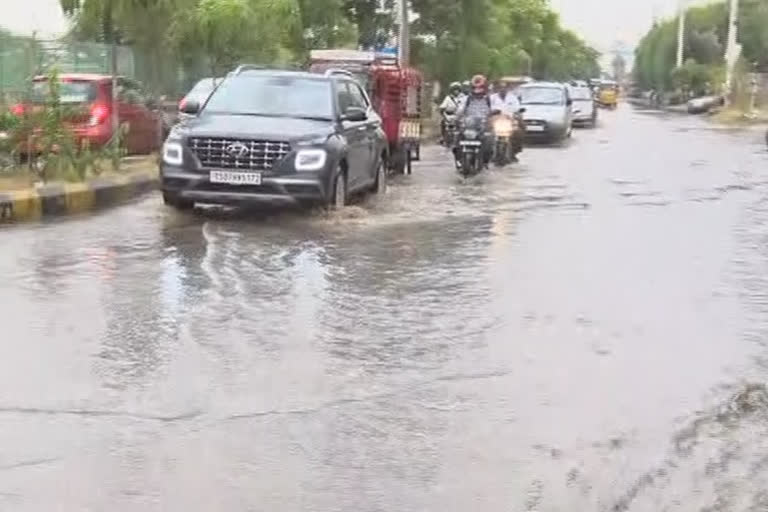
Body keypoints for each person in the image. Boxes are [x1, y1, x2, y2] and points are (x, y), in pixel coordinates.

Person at [455, 74, 494, 165]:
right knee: (457, 139)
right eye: (475, 88)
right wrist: (457, 117)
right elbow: (460, 110)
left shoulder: (489, 99)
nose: (478, 91)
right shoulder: (467, 99)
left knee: (489, 143)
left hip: (483, 127)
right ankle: (458, 160)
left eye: (480, 88)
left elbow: (496, 109)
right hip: (469, 126)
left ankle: (485, 161)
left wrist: (493, 117)